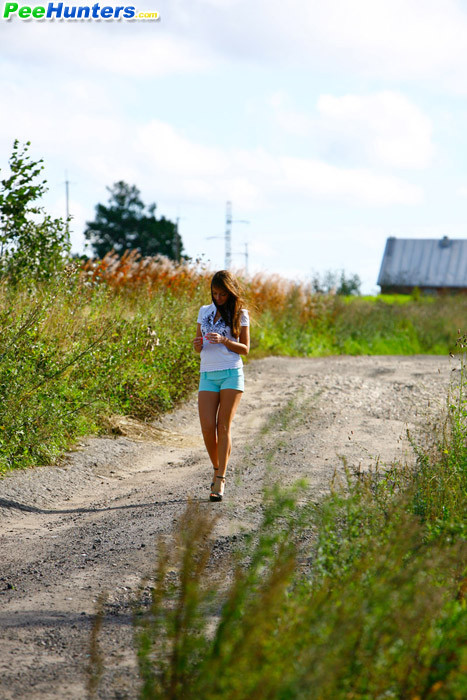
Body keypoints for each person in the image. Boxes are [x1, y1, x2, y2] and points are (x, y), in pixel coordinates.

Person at [193, 270, 250, 501]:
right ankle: (218, 468)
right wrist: (197, 344)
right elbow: (198, 346)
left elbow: (245, 349)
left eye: (223, 294)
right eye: (215, 294)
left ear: (231, 292)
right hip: (207, 373)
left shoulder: (240, 314)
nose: (218, 298)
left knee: (222, 426)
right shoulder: (204, 311)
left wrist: (225, 340)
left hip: (231, 373)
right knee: (207, 427)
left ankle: (221, 479)